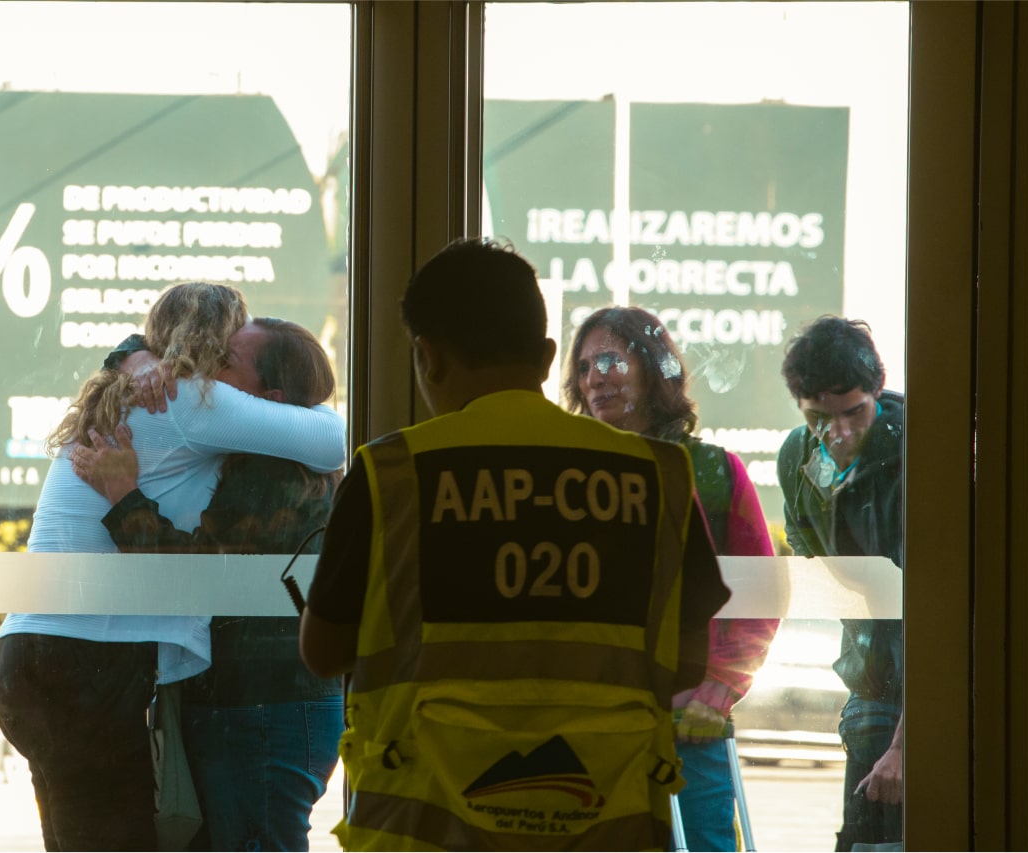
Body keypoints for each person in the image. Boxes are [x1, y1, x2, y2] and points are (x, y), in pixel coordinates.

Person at [298, 238, 730, 851]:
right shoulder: (655, 475)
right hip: (606, 828)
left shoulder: (390, 473)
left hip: (424, 832)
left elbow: (322, 651)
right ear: (549, 356)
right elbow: (686, 662)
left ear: (429, 357)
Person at [0, 282, 348, 851]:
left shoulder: (134, 389)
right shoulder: (187, 400)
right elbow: (338, 440)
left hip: (35, 654)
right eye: (230, 346)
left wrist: (135, 354)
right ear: (214, 338)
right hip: (87, 664)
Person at [564, 306, 782, 852]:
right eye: (585, 365)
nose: (595, 377)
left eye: (611, 360)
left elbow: (761, 593)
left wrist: (720, 688)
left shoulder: (711, 470)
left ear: (651, 369)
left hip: (691, 726)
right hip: (592, 726)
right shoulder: (564, 471)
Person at [774, 316, 904, 851]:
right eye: (819, 417)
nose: (840, 433)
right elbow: (810, 555)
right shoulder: (798, 457)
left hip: (935, 679)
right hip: (870, 677)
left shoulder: (922, 455)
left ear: (877, 389)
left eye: (855, 412)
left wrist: (904, 746)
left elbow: (945, 612)